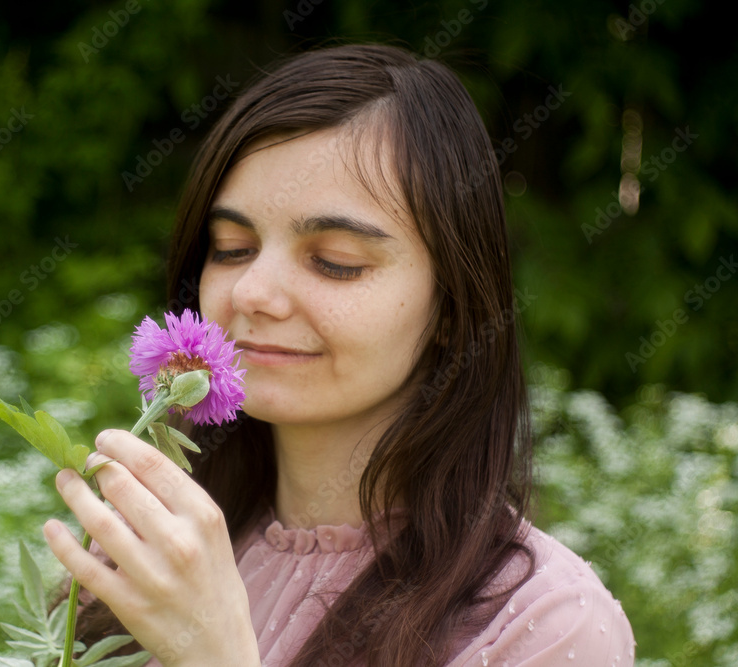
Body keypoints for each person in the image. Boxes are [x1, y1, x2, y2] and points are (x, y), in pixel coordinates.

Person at [42, 43, 636, 666]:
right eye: (232, 247)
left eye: (335, 262)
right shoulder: (150, 551)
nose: (252, 293)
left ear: (453, 309)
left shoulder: (550, 627)